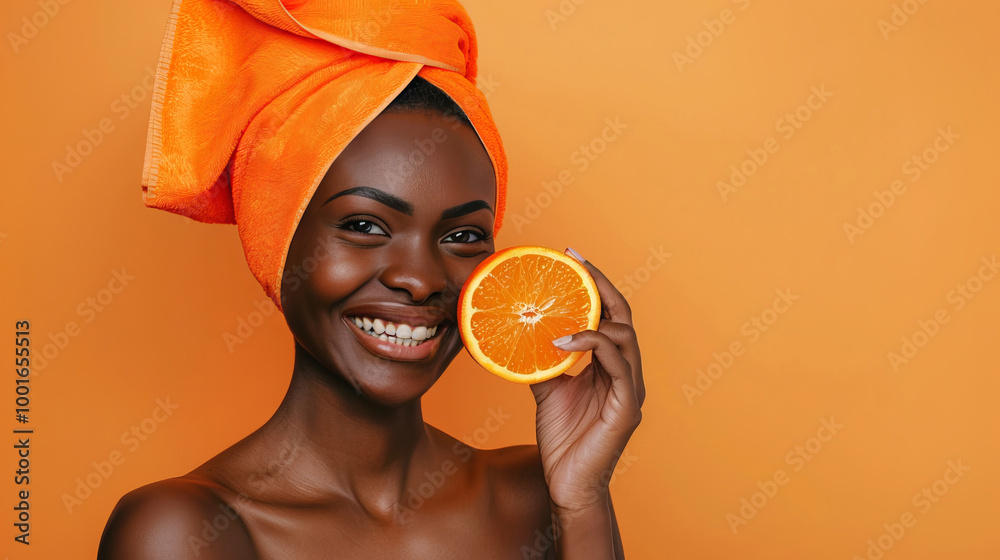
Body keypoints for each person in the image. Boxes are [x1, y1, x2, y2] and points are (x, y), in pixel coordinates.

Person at [98, 2, 644, 558]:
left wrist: (582, 502)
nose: (419, 279)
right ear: (278, 241)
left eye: (462, 237)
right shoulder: (186, 532)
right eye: (364, 225)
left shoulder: (536, 496)